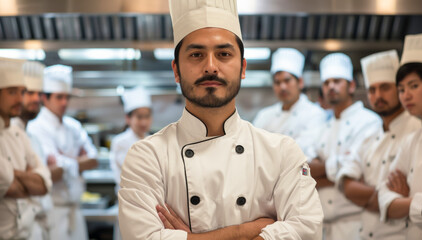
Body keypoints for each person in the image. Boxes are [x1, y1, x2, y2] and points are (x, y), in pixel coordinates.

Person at [118, 0, 323, 239]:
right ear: (176, 70)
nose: (211, 66)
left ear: (242, 68)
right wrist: (245, 231)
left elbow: (308, 229)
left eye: (224, 54)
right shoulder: (147, 156)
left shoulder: (281, 152)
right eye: (196, 55)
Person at [336, 50, 421, 240]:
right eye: (372, 90)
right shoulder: (369, 133)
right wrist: (385, 197)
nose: (378, 95)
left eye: (385, 87)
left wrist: (368, 196)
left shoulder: (417, 129)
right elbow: (347, 184)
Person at [307, 52, 382, 240]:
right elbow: (304, 171)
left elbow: (364, 174)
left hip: (355, 225)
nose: (331, 86)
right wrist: (343, 175)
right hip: (320, 227)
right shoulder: (319, 125)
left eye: (337, 81)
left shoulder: (369, 122)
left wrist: (322, 170)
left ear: (352, 85)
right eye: (326, 82)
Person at [27, 64, 98, 240]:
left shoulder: (73, 126)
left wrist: (64, 160)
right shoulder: (35, 128)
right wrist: (77, 161)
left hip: (75, 209)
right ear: (44, 97)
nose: (64, 102)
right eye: (59, 97)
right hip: (52, 212)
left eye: (67, 97)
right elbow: (52, 173)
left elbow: (93, 159)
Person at [378, 33, 422, 240]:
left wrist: (408, 200)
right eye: (401, 89)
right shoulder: (411, 140)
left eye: (414, 86)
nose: (405, 95)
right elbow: (384, 198)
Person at [0, 57, 52, 240]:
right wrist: (28, 179)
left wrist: (15, 174)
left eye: (21, 92)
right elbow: (9, 186)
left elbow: (44, 185)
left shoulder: (20, 135)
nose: (19, 99)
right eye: (12, 92)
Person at [11, 61, 62, 240]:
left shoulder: (33, 138)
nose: (35, 99)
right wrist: (33, 178)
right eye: (28, 93)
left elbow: (44, 184)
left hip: (42, 225)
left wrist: (25, 176)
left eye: (39, 93)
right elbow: (8, 183)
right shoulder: (7, 136)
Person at [252, 48, 326, 153]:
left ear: (300, 82)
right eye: (277, 82)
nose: (282, 87)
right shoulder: (264, 115)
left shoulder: (315, 114)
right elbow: (253, 147)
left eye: (287, 80)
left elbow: (303, 152)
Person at [110, 85, 152, 192]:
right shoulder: (120, 142)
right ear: (128, 118)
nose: (144, 122)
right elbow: (131, 175)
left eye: (147, 116)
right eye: (139, 117)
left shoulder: (153, 140)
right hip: (128, 200)